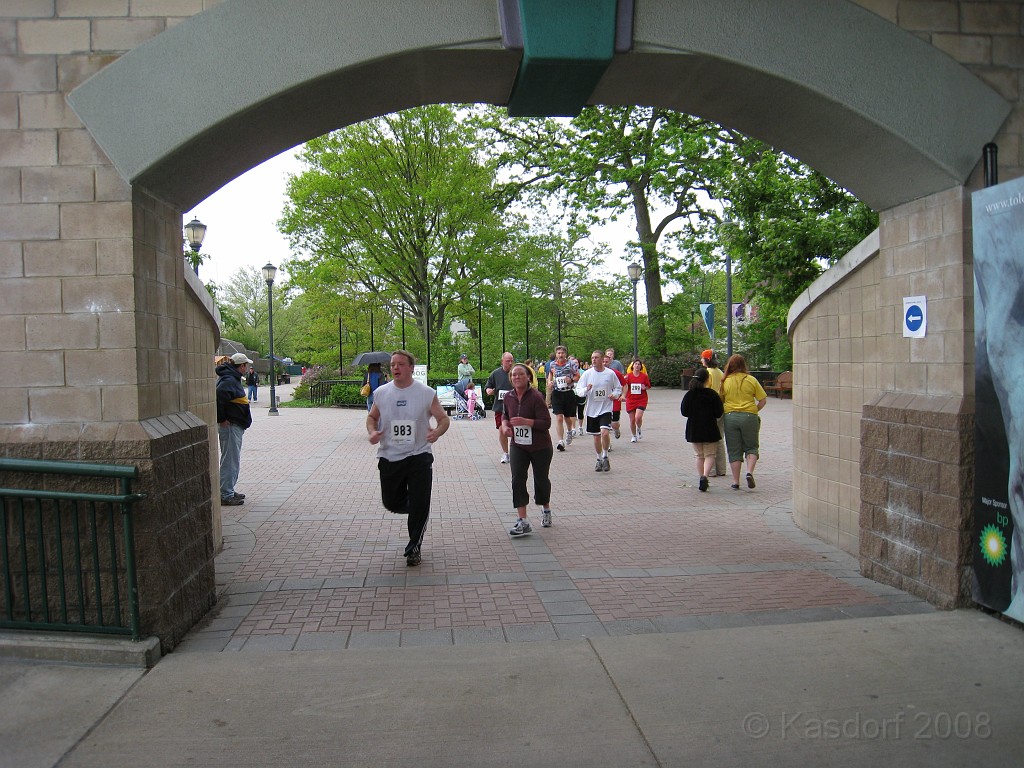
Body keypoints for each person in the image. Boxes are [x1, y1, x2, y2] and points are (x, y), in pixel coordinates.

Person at [366, 350, 450, 566]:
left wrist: (437, 433)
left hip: (419, 455)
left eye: (401, 364)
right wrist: (372, 432)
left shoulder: (425, 392)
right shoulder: (382, 393)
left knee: (420, 504)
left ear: (411, 368)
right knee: (391, 502)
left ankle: (414, 547)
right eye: (393, 364)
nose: (395, 368)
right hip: (389, 457)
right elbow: (372, 417)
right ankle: (418, 508)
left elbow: (443, 419)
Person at [503, 364, 554, 535]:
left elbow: (546, 423)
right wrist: (504, 426)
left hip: (540, 446)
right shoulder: (509, 397)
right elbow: (505, 415)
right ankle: (522, 520)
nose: (517, 377)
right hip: (518, 445)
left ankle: (546, 509)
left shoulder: (536, 397)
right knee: (517, 478)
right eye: (513, 375)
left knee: (540, 479)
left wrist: (527, 421)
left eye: (520, 375)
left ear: (528, 377)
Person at [719, 353, 768, 490]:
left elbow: (720, 400)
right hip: (749, 416)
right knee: (752, 446)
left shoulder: (725, 381)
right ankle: (749, 472)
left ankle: (735, 481)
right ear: (743, 365)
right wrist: (754, 410)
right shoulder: (751, 379)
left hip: (730, 417)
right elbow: (763, 400)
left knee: (734, 450)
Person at [216, 352, 253, 506]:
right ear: (242, 366)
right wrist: (222, 419)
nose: (248, 368)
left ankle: (228, 489)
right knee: (230, 460)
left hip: (234, 425)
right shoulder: (229, 380)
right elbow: (218, 397)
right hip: (231, 426)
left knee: (232, 459)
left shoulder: (230, 378)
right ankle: (226, 493)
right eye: (246, 365)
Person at [576, 350, 622, 472]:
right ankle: (598, 459)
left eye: (596, 357)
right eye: (592, 358)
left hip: (606, 408)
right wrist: (586, 389)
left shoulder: (610, 374)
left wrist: (614, 395)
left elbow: (618, 388)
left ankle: (605, 456)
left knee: (605, 433)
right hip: (592, 410)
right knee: (596, 437)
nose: (593, 360)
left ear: (602, 360)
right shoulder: (587, 374)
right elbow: (578, 390)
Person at [680, 367, 724, 492]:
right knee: (710, 454)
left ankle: (701, 477)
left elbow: (684, 412)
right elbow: (718, 412)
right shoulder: (712, 394)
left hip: (694, 428)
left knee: (699, 455)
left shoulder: (689, 394)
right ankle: (705, 475)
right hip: (710, 427)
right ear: (707, 379)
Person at [546, 345, 580, 452]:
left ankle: (569, 431)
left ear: (565, 354)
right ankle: (560, 441)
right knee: (559, 417)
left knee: (567, 417)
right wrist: (549, 382)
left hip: (568, 392)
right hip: (557, 393)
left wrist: (571, 379)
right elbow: (550, 375)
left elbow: (578, 376)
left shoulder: (571, 364)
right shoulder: (552, 364)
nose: (560, 355)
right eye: (558, 353)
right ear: (556, 354)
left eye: (562, 353)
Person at [700, 350, 728, 477]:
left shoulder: (708, 373)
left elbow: (705, 391)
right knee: (720, 438)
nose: (701, 360)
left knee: (709, 440)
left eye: (702, 358)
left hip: (709, 409)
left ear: (706, 360)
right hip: (720, 407)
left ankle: (710, 470)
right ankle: (721, 469)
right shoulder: (720, 372)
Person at [485, 352, 515, 464]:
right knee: (502, 430)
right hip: (500, 407)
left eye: (512, 360)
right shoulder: (496, 373)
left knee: (514, 430)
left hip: (515, 408)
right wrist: (489, 391)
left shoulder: (516, 373)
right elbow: (488, 386)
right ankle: (505, 453)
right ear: (502, 361)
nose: (510, 363)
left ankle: (516, 452)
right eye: (508, 361)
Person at [623, 358, 652, 442]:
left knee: (638, 417)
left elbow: (648, 386)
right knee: (632, 420)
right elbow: (624, 386)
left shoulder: (644, 376)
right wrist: (623, 395)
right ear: (633, 366)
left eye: (639, 364)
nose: (637, 365)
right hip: (631, 399)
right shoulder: (628, 376)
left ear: (641, 367)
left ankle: (638, 428)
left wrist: (644, 387)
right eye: (635, 364)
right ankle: (634, 435)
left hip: (641, 399)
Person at [605, 350, 627, 440]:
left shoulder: (615, 373)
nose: (604, 363)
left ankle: (616, 429)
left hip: (615, 401)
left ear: (610, 362)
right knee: (605, 425)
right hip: (602, 401)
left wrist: (623, 395)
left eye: (606, 362)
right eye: (603, 361)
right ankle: (607, 443)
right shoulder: (595, 373)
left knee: (614, 423)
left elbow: (625, 384)